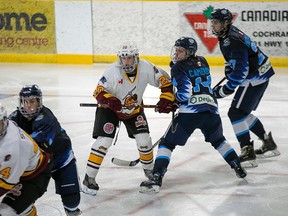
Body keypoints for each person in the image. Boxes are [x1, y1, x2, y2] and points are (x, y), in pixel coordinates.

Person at [139, 37, 246, 194]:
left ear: (189, 52)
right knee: (219, 140)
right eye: (176, 49)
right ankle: (237, 166)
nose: (176, 53)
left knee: (167, 143)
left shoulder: (178, 68)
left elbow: (185, 93)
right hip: (211, 111)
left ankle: (156, 177)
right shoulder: (203, 61)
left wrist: (173, 101)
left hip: (190, 114)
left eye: (180, 51)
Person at [82, 41, 175, 196]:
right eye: (123, 58)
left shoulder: (146, 67)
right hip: (110, 111)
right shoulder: (112, 71)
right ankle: (89, 178)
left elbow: (165, 80)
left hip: (133, 109)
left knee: (144, 140)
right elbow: (98, 91)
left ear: (136, 57)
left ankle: (149, 172)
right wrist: (108, 99)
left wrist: (166, 98)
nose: (126, 62)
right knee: (103, 142)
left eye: (130, 58)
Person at [209, 8, 280, 168]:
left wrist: (224, 90)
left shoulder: (231, 39)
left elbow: (241, 71)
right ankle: (267, 142)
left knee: (236, 113)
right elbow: (236, 61)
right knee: (242, 112)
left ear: (225, 23)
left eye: (216, 22)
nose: (212, 25)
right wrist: (229, 68)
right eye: (212, 22)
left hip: (255, 78)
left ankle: (247, 151)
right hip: (260, 74)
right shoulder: (228, 34)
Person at [8, 85, 82, 216]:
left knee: (72, 202)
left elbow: (30, 147)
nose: (28, 105)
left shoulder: (47, 119)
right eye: (25, 101)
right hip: (37, 166)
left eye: (32, 101)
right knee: (22, 202)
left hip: (60, 161)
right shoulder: (14, 117)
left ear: (39, 102)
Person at [0, 103, 52, 215]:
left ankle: (25, 209)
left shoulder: (12, 147)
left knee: (6, 212)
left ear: (4, 122)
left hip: (34, 177)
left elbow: (2, 186)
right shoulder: (4, 133)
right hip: (19, 169)